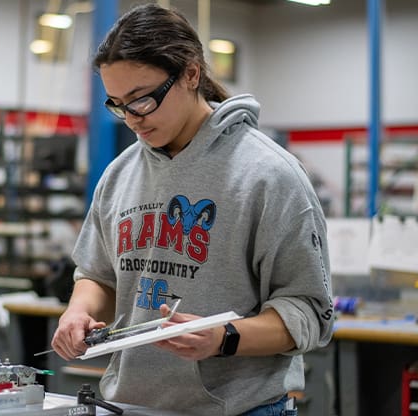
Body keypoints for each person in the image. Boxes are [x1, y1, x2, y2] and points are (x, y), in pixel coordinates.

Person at [51, 4, 334, 416]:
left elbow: (310, 312)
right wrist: (79, 312)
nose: (131, 118)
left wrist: (223, 337)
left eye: (142, 100)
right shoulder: (119, 174)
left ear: (191, 74)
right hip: (130, 403)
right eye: (117, 104)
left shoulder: (269, 176)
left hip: (240, 409)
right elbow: (98, 275)